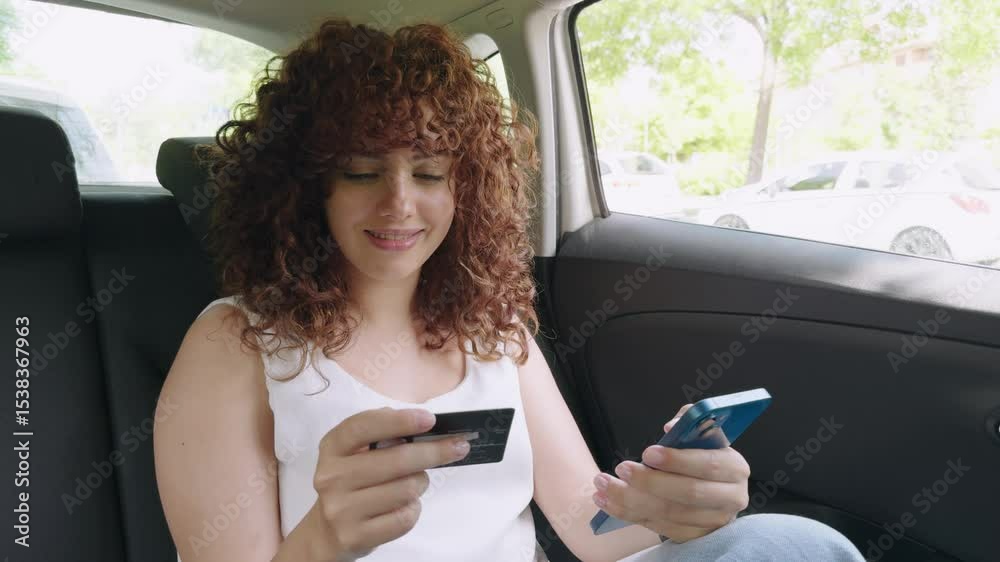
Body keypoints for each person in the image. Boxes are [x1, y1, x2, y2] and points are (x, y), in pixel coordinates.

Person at [153, 18, 865, 562]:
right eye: (362, 171)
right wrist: (321, 542)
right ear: (308, 188)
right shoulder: (236, 341)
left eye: (429, 173)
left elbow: (592, 530)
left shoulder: (493, 329)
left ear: (464, 188)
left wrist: (678, 510)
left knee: (798, 544)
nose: (400, 203)